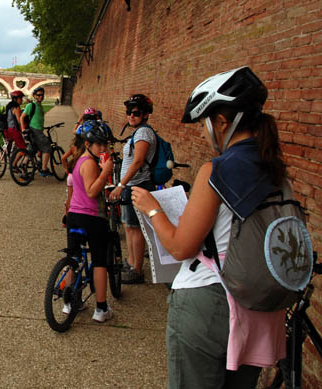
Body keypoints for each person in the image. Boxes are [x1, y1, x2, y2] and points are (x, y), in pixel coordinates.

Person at [131, 67, 285, 388]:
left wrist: (152, 208)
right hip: (259, 309)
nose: (205, 133)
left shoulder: (216, 170)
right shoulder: (276, 169)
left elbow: (180, 247)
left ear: (222, 122)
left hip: (211, 303)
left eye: (205, 124)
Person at [65, 120, 114, 323]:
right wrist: (106, 172)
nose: (102, 148)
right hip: (91, 217)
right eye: (98, 144)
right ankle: (101, 309)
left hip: (74, 216)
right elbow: (92, 191)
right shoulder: (90, 164)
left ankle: (69, 302)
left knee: (74, 260)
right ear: (88, 144)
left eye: (105, 144)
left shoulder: (78, 161)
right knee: (100, 261)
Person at [108, 94, 156, 284]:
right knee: (129, 226)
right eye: (129, 112)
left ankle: (137, 270)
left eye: (136, 113)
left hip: (137, 185)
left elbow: (137, 162)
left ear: (145, 115)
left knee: (135, 228)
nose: (131, 116)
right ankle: (131, 261)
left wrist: (121, 185)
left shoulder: (144, 133)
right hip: (132, 185)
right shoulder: (138, 132)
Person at [20, 86, 54, 176]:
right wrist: (23, 129)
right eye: (38, 95)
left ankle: (23, 168)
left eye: (42, 95)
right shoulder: (31, 105)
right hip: (34, 130)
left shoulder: (40, 106)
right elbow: (22, 117)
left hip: (38, 130)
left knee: (32, 150)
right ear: (34, 96)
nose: (40, 97)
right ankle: (43, 169)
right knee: (47, 147)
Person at [4, 90, 27, 156]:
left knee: (9, 146)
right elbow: (19, 121)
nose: (22, 100)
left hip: (8, 130)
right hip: (14, 130)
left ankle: (1, 158)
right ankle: (13, 164)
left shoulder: (9, 106)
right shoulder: (16, 108)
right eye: (20, 98)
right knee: (23, 148)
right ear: (16, 99)